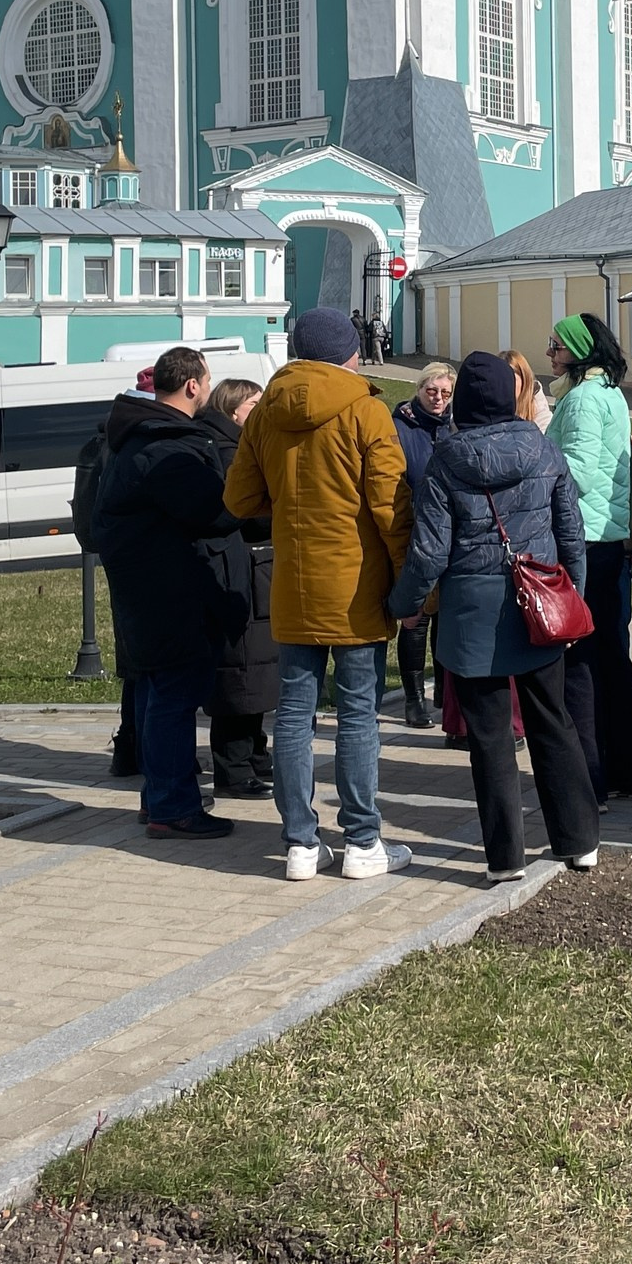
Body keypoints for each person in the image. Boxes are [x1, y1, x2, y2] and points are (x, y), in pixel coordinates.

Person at [390, 352, 602, 884]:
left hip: (471, 608)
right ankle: (579, 840)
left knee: (489, 737)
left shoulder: (446, 458)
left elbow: (430, 551)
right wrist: (573, 593)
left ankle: (505, 857)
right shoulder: (543, 446)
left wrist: (404, 602)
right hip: (540, 597)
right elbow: (571, 530)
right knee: (553, 720)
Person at [225, 308, 415, 881]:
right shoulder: (366, 409)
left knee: (293, 715)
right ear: (348, 353)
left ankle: (301, 844)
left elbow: (238, 499)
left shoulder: (265, 414)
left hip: (293, 583)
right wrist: (412, 588)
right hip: (356, 585)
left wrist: (286, 504)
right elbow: (391, 508)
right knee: (358, 713)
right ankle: (362, 841)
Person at [94, 348, 253, 841]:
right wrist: (250, 492)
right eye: (207, 381)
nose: (208, 389)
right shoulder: (166, 444)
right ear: (192, 385)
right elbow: (212, 509)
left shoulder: (139, 434)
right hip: (168, 589)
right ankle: (172, 804)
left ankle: (160, 796)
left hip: (150, 587)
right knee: (172, 696)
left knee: (156, 690)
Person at [545, 312, 632, 802]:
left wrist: (537, 492)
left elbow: (579, 473)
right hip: (607, 537)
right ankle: (631, 772)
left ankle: (593, 778)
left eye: (556, 345)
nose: (549, 351)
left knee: (585, 661)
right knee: (612, 658)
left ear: (578, 350)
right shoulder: (609, 392)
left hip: (585, 541)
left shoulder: (587, 398)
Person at [204, 378, 278, 798]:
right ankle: (233, 767)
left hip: (255, 571)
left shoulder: (241, 446)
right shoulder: (229, 450)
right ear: (235, 411)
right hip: (240, 570)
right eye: (255, 404)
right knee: (240, 671)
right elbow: (245, 510)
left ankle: (253, 752)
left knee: (257, 671)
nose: (261, 411)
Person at [92, 367, 161, 779]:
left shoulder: (113, 434)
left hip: (123, 561)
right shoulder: (142, 437)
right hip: (145, 562)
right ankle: (146, 753)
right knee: (150, 669)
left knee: (136, 665)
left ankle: (130, 748)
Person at [387, 362, 457, 730]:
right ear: (420, 389)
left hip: (451, 534)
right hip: (414, 532)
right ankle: (413, 698)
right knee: (415, 618)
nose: (439, 400)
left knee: (446, 618)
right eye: (433, 392)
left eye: (446, 393)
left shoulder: (453, 425)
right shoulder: (400, 426)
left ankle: (445, 693)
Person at [505, 348, 553, 430]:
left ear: (524, 378)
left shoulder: (537, 404)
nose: (504, 385)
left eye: (510, 379)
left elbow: (545, 432)